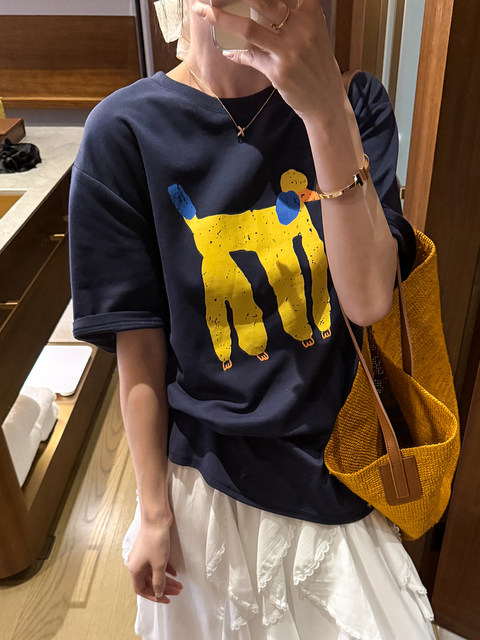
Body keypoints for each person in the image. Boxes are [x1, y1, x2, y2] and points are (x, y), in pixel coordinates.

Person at [69, 0, 438, 638]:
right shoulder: (124, 131)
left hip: (337, 465)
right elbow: (140, 345)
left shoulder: (356, 103)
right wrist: (152, 511)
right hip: (206, 481)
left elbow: (369, 300)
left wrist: (324, 113)